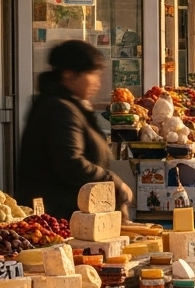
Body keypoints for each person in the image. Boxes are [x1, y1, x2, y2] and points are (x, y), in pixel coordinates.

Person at [16, 40, 131, 218]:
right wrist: (114, 182)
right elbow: (71, 163)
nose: (97, 82)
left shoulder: (70, 106)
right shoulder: (59, 109)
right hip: (60, 218)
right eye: (92, 74)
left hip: (72, 215)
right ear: (68, 75)